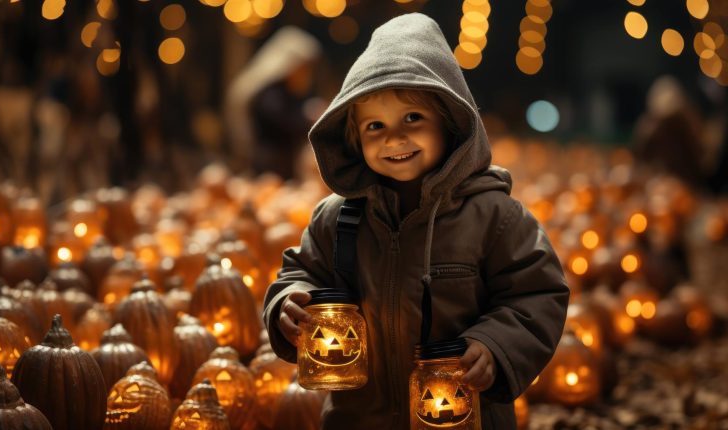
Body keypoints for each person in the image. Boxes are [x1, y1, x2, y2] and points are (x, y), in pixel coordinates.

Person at [263, 13, 569, 429]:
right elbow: (301, 271)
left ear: (450, 121)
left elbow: (538, 293)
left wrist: (496, 344)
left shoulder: (494, 217)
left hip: (458, 414)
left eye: (412, 118)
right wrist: (290, 301)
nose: (394, 138)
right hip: (359, 418)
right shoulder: (338, 218)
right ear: (354, 137)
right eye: (375, 126)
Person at [225, 26, 322, 179]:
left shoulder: (285, 92)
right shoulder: (270, 93)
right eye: (304, 67)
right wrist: (308, 119)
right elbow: (283, 122)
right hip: (268, 166)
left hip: (281, 166)